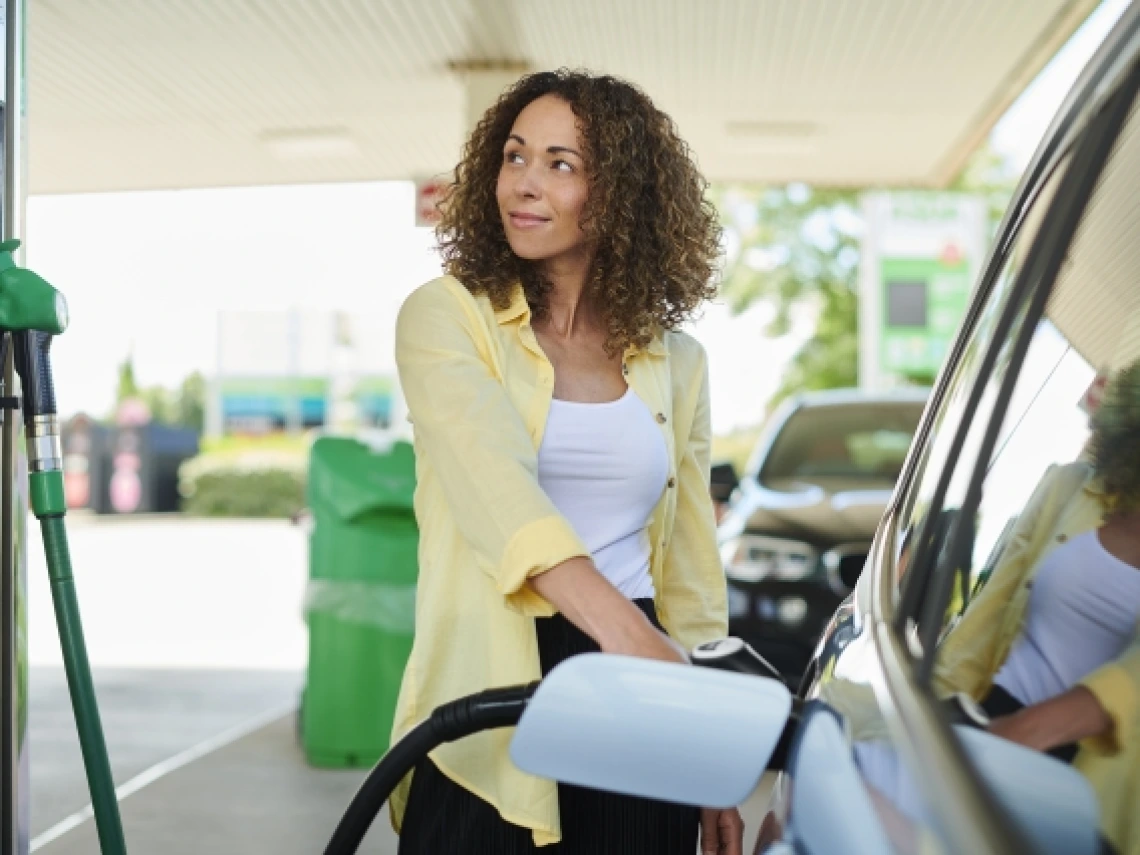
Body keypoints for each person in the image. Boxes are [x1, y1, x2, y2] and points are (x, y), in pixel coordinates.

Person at [389, 69, 742, 854]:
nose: (524, 183)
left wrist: (710, 745)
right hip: (491, 687)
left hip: (637, 693)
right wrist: (631, 638)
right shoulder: (447, 319)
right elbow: (495, 488)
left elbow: (690, 570)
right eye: (514, 157)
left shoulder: (676, 361)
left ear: (618, 193)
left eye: (560, 164)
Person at [935, 361, 1140, 855]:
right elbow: (981, 624)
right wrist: (920, 722)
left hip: (1093, 791)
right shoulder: (1069, 488)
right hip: (990, 722)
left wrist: (1032, 732)